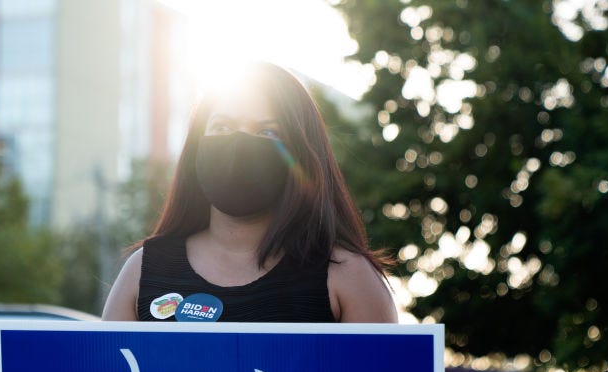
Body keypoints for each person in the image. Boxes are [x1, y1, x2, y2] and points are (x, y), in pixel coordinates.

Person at [103, 62, 398, 323]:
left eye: (267, 132)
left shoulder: (347, 277)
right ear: (196, 146)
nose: (238, 144)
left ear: (301, 155)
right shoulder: (142, 271)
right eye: (222, 126)